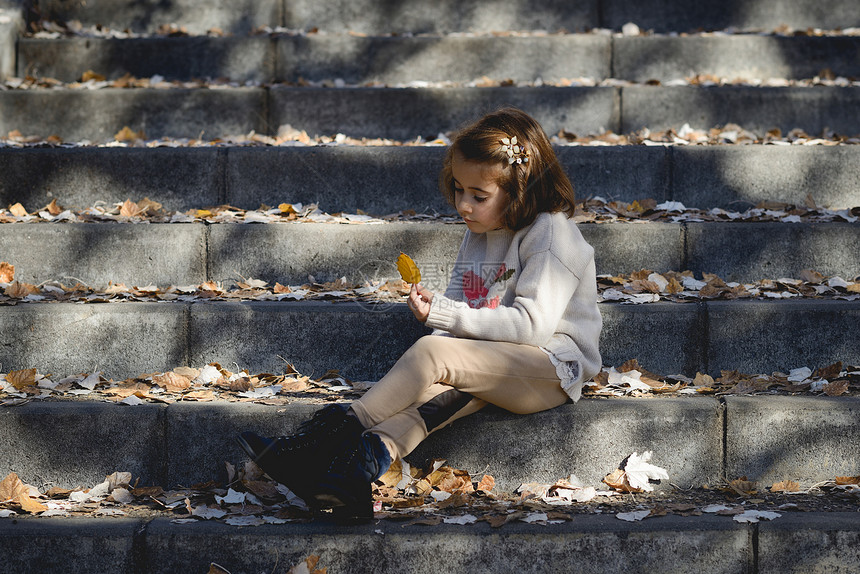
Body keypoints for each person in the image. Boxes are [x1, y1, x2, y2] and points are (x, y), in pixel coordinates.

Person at [237, 107, 603, 518]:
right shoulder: (480, 233)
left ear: (520, 190)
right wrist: (442, 324)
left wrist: (443, 319)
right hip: (499, 358)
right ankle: (352, 473)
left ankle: (319, 441)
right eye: (458, 189)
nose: (464, 205)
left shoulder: (551, 233)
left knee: (432, 353)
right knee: (436, 392)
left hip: (553, 366)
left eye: (478, 196)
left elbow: (532, 327)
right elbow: (461, 310)